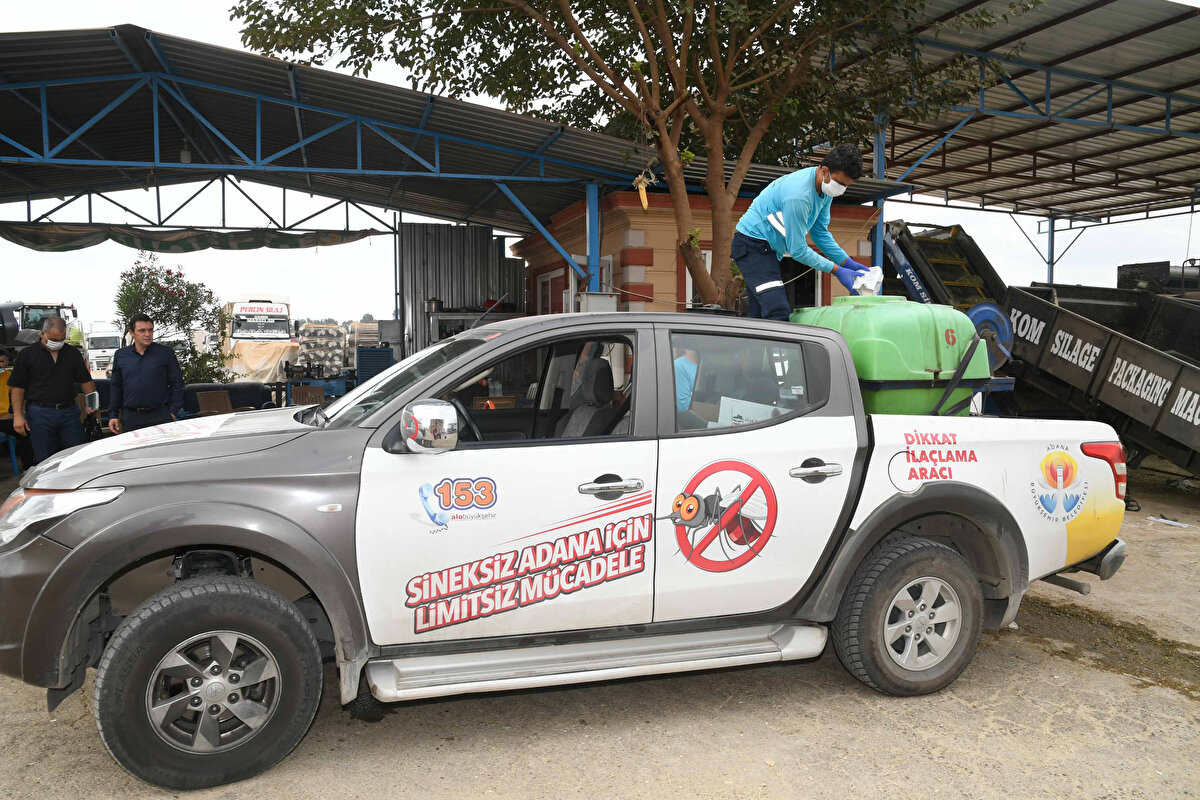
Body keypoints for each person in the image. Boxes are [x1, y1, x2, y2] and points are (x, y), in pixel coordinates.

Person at [733, 143, 871, 321]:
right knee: (777, 311)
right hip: (752, 246)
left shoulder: (825, 188)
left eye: (846, 186)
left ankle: (754, 349)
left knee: (759, 315)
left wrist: (846, 262)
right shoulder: (799, 196)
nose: (841, 189)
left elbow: (820, 233)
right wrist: (837, 270)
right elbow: (797, 250)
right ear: (824, 171)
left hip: (768, 250)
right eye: (840, 183)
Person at [10, 318, 98, 463]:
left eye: (61, 339)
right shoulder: (27, 355)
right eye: (53, 339)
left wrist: (92, 405)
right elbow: (18, 387)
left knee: (78, 456)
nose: (57, 343)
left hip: (69, 412)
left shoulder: (72, 354)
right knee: (44, 459)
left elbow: (86, 381)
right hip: (40, 413)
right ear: (42, 334)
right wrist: (18, 416)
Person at [108, 314, 184, 434]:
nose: (147, 334)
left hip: (161, 416)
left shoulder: (165, 353)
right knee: (134, 453)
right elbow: (116, 386)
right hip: (131, 417)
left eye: (150, 330)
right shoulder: (121, 355)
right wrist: (113, 414)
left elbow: (177, 383)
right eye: (142, 330)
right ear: (132, 333)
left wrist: (173, 412)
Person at [0, 350, 36, 469]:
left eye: (3, 362)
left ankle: (29, 466)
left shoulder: (6, 376)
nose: (1, 365)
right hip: (2, 418)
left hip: (5, 417)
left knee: (25, 428)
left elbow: (18, 390)